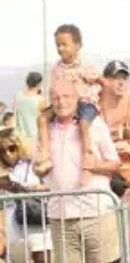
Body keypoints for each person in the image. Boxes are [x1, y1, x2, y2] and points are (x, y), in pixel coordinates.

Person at [44, 78, 121, 263]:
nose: (61, 102)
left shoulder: (94, 125)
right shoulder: (46, 129)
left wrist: (93, 166)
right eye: (56, 97)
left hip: (95, 209)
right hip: (61, 212)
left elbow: (114, 162)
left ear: (76, 98)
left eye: (66, 97)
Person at [0, 128, 59, 263]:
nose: (7, 153)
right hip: (11, 221)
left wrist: (18, 187)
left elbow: (50, 186)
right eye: (2, 150)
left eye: (11, 148)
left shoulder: (33, 164)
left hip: (35, 219)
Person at [36, 24, 102, 175]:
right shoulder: (57, 69)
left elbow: (101, 82)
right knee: (42, 119)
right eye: (58, 45)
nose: (60, 49)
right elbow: (55, 90)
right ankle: (45, 155)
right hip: (65, 103)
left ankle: (88, 156)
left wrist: (98, 88)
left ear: (77, 46)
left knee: (84, 123)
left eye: (64, 45)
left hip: (85, 101)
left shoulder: (85, 64)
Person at [98, 60, 130, 192]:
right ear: (105, 81)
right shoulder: (94, 109)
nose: (121, 83)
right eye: (115, 78)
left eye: (124, 78)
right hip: (105, 185)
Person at [13, 71, 44, 146]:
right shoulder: (40, 99)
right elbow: (43, 120)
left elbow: (14, 115)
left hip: (20, 138)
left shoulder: (18, 95)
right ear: (38, 84)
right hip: (34, 139)